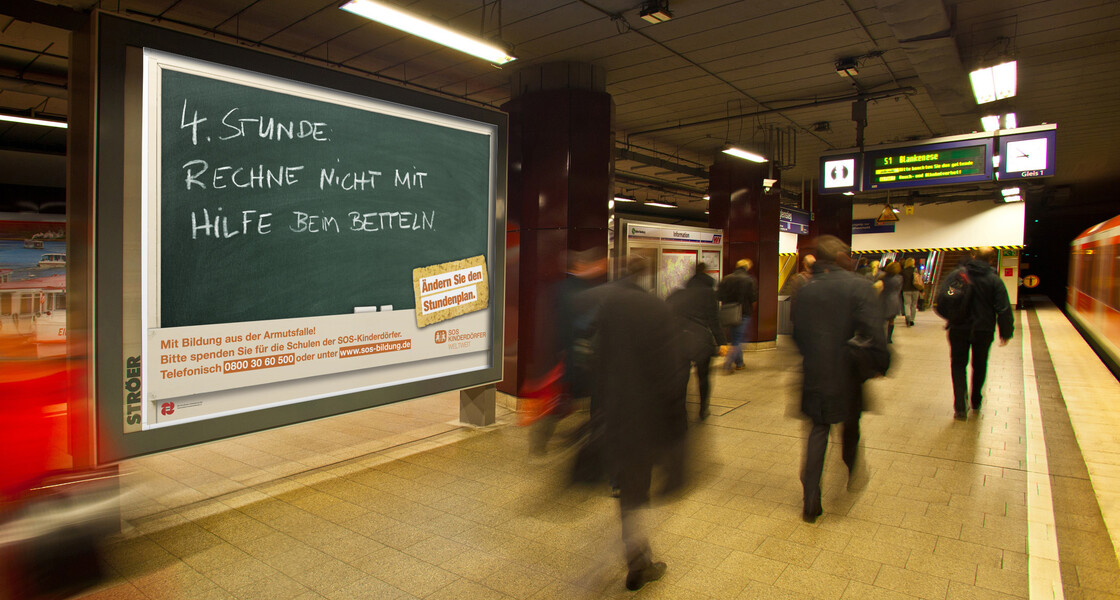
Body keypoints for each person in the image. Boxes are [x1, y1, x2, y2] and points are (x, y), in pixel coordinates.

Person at [594, 257, 689, 591]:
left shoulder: (610, 307)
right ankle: (638, 563)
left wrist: (600, 411)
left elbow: (600, 362)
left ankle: (637, 557)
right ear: (648, 274)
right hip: (646, 417)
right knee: (636, 489)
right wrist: (676, 422)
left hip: (617, 413)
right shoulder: (657, 309)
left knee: (629, 491)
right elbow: (669, 373)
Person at [791, 236, 889, 523]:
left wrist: (811, 356)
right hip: (848, 371)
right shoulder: (860, 286)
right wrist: (880, 363)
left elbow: (797, 333)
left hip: (815, 370)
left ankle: (811, 500)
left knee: (818, 430)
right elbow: (873, 331)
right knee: (850, 422)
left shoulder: (807, 289)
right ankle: (851, 467)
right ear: (839, 258)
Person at [945, 247, 1014, 420]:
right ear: (991, 260)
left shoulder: (958, 276)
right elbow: (1003, 307)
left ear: (974, 257)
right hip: (983, 329)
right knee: (980, 364)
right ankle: (976, 399)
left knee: (958, 365)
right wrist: (1006, 331)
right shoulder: (994, 280)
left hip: (959, 328)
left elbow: (945, 298)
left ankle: (960, 406)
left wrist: (951, 318)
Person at [667, 262, 728, 420]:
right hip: (701, 341)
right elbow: (714, 321)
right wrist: (722, 342)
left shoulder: (678, 293)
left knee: (681, 378)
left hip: (679, 340)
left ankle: (681, 411)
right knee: (703, 376)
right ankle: (703, 410)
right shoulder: (709, 294)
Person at [717, 258, 758, 373]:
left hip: (728, 312)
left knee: (735, 338)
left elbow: (719, 296)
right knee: (739, 340)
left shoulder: (726, 279)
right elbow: (753, 299)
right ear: (747, 268)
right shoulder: (749, 280)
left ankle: (739, 362)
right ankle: (728, 363)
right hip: (743, 313)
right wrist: (750, 310)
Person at [878, 261, 903, 343]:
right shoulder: (899, 278)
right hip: (895, 300)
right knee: (891, 320)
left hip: (883, 299)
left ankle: (881, 336)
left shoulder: (883, 278)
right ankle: (889, 337)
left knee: (882, 320)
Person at [900, 258, 922, 326]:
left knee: (907, 304)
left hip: (906, 290)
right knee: (913, 305)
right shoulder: (915, 271)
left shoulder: (903, 271)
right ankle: (912, 320)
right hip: (915, 289)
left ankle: (908, 316)